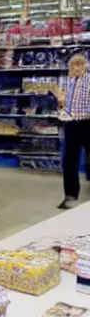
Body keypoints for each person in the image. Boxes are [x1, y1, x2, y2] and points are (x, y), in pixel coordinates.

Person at [54, 53, 90, 209]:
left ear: (85, 65)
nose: (76, 68)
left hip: (88, 123)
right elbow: (63, 102)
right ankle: (70, 197)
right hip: (70, 124)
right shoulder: (67, 81)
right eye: (73, 65)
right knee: (70, 161)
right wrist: (60, 104)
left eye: (79, 65)